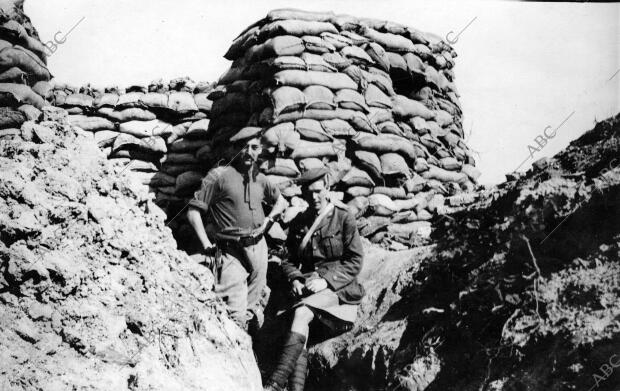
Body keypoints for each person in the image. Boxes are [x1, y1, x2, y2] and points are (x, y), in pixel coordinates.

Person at [264, 168, 365, 391]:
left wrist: (326, 281)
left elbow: (355, 261)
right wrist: (296, 279)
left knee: (301, 314)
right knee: (296, 326)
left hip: (339, 290)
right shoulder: (301, 221)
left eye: (318, 191)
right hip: (309, 290)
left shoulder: (343, 217)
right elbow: (288, 259)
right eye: (309, 194)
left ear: (327, 187)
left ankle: (274, 383)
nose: (314, 198)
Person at [187, 128, 287, 330]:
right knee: (234, 314)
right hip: (231, 250)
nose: (249, 152)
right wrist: (206, 244)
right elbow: (193, 212)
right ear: (234, 149)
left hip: (259, 247)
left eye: (254, 147)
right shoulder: (218, 176)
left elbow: (281, 202)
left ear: (260, 150)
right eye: (244, 147)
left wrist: (268, 222)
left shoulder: (259, 177)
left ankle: (251, 352)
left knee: (253, 308)